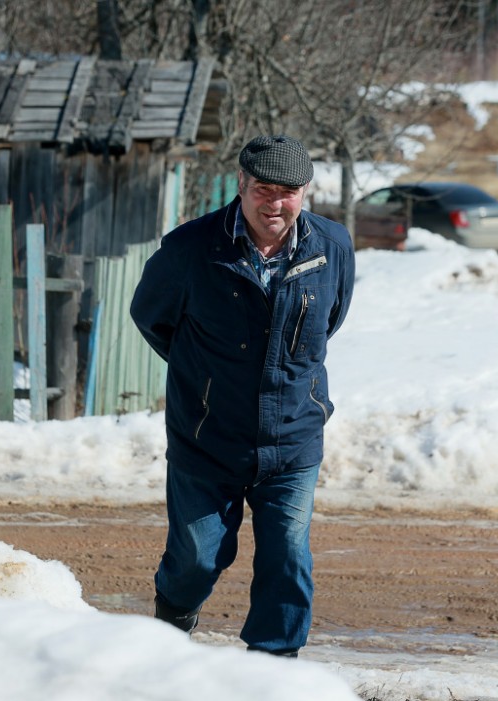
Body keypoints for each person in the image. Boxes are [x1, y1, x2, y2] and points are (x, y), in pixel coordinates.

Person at [129, 134, 355, 657]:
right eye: (263, 189)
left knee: (288, 557)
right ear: (241, 185)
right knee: (197, 558)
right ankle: (168, 640)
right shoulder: (190, 249)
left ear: (305, 193)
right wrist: (208, 378)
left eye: (289, 192)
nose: (274, 203)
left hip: (293, 436)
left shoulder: (331, 246)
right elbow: (152, 318)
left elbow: (332, 318)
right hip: (208, 436)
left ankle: (274, 669)